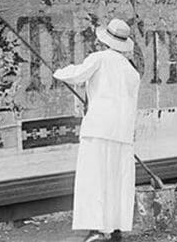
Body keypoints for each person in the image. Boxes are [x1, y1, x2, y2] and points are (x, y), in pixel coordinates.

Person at [53, 18, 140, 242]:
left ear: (105, 41)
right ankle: (115, 228)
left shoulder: (99, 58)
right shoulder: (131, 71)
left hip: (98, 129)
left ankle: (98, 230)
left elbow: (76, 75)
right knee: (117, 179)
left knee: (95, 179)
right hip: (122, 132)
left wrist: (58, 72)